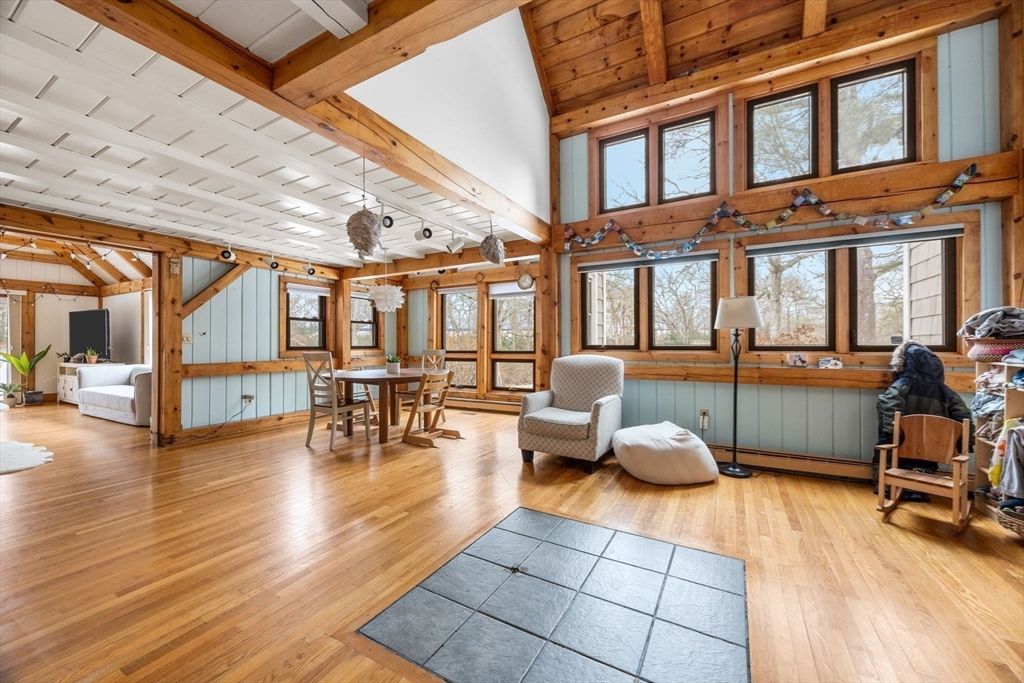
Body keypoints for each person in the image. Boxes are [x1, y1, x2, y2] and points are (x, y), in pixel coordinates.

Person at [875, 340, 973, 500]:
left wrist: (892, 431)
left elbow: (888, 402)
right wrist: (966, 441)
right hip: (933, 442)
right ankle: (918, 487)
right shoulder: (945, 391)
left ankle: (888, 486)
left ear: (903, 362)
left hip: (902, 439)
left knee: (890, 452)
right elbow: (963, 415)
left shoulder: (903, 384)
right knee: (925, 461)